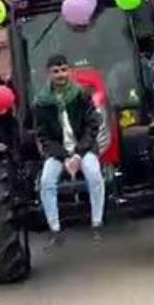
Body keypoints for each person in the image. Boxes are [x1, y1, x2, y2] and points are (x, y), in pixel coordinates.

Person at [34, 54, 105, 246]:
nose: (60, 75)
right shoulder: (41, 102)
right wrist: (65, 157)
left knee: (95, 175)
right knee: (46, 181)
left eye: (64, 70)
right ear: (48, 74)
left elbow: (92, 126)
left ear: (69, 71)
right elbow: (44, 136)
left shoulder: (81, 94)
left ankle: (97, 223)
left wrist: (78, 154)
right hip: (59, 154)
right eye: (56, 71)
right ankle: (55, 229)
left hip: (83, 149)